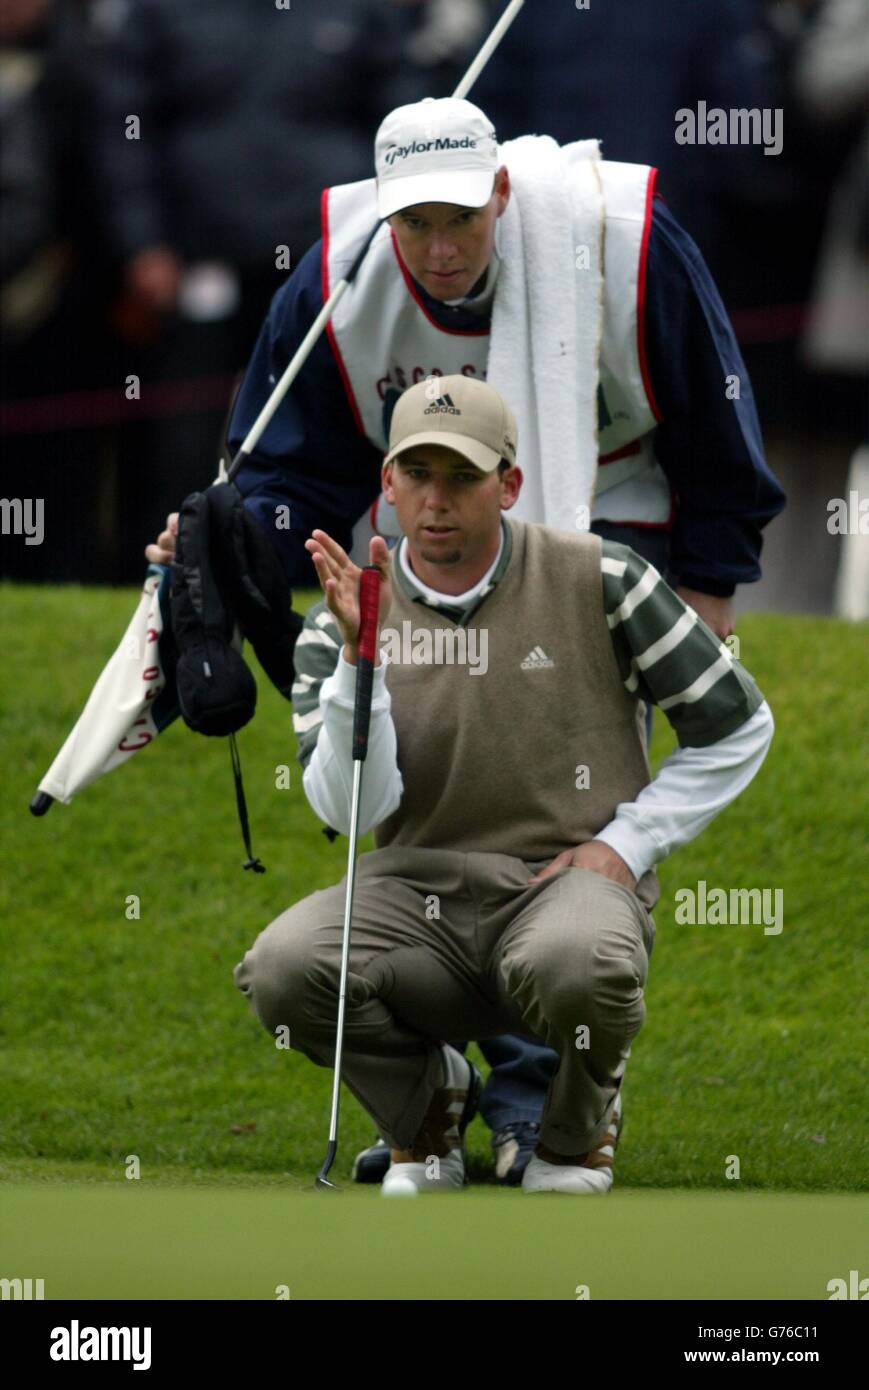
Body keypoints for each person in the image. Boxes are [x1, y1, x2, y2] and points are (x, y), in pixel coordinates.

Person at [147, 96, 785, 1183]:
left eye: (460, 220)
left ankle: (543, 1110)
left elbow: (715, 410)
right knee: (434, 810)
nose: (438, 249)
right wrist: (230, 538)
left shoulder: (623, 237)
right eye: (414, 225)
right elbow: (289, 467)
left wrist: (710, 581)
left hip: (620, 518)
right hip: (429, 543)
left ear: (501, 194)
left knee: (558, 811)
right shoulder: (335, 276)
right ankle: (436, 1096)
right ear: (382, 214)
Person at [233, 373, 775, 1194]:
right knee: (281, 967)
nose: (436, 500)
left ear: (509, 483)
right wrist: (359, 660)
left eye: (463, 476)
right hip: (415, 901)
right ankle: (428, 1112)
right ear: (387, 484)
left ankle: (575, 1133)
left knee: (580, 964)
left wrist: (626, 845)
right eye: (417, 474)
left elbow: (737, 723)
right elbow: (351, 811)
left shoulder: (603, 577)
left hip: (561, 889)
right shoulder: (336, 621)